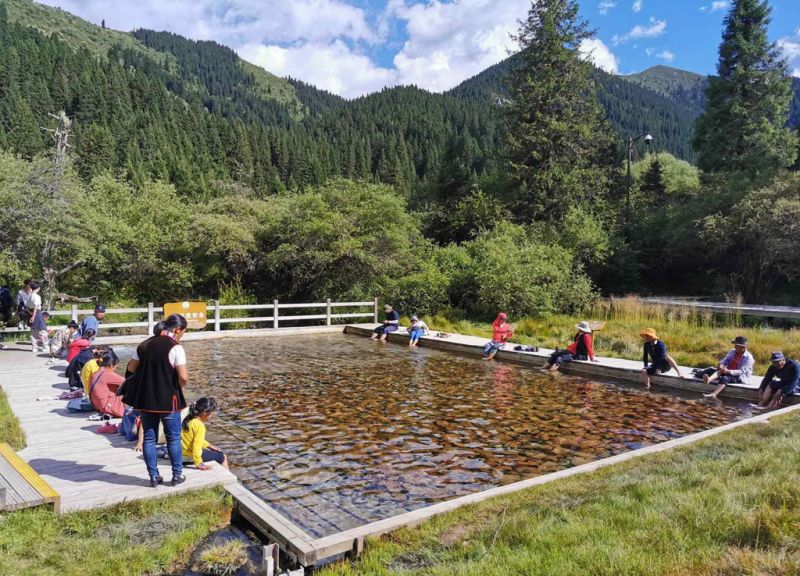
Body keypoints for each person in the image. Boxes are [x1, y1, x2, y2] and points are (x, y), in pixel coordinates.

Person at [125, 314, 189, 488]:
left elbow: (131, 367)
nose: (182, 335)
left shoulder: (144, 345)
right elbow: (183, 376)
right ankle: (177, 475)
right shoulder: (176, 348)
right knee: (174, 438)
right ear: (177, 330)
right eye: (183, 331)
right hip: (169, 400)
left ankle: (154, 477)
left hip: (146, 400)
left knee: (148, 439)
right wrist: (178, 387)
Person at [181, 397, 228, 470]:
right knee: (222, 456)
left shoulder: (189, 419)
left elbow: (195, 439)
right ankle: (227, 476)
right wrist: (199, 464)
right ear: (206, 413)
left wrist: (210, 446)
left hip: (180, 453)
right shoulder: (200, 426)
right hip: (188, 456)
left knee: (210, 452)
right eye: (212, 414)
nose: (212, 416)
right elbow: (196, 447)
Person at [88, 350, 127, 417]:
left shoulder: (97, 373)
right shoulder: (107, 374)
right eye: (115, 366)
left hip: (97, 405)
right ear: (111, 365)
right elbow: (128, 382)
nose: (115, 369)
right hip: (105, 406)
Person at [27, 283, 48, 353]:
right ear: (37, 288)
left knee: (34, 332)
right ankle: (45, 346)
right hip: (37, 313)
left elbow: (26, 307)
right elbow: (36, 306)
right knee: (43, 330)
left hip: (31, 313)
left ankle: (34, 348)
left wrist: (31, 314)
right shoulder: (36, 296)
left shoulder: (29, 296)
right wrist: (33, 316)